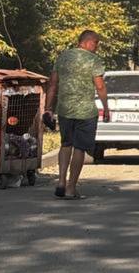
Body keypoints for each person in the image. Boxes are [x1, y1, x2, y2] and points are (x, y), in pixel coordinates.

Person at [45, 29, 109, 200]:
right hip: (86, 112)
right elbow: (100, 87)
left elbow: (52, 84)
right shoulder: (93, 60)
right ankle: (71, 188)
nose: (97, 47)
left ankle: (60, 182)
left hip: (64, 109)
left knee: (66, 144)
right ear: (88, 42)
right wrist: (106, 108)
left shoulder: (63, 57)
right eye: (96, 43)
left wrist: (48, 108)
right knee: (79, 148)